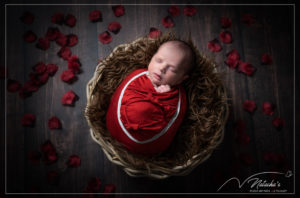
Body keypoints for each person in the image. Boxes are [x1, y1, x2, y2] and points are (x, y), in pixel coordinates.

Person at [106, 40, 195, 155]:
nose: (162, 68)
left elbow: (174, 115)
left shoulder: (177, 96)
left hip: (147, 147)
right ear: (152, 57)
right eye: (159, 60)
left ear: (181, 79)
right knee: (139, 109)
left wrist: (165, 98)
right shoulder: (138, 75)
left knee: (145, 111)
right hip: (115, 127)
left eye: (172, 69)